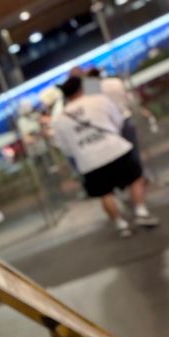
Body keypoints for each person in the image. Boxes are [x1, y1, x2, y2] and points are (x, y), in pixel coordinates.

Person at [51, 75, 158, 238]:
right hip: (115, 149)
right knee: (135, 178)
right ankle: (141, 211)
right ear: (81, 88)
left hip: (89, 160)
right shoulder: (98, 100)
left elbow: (65, 148)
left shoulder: (59, 119)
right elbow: (118, 122)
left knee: (104, 193)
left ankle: (121, 224)